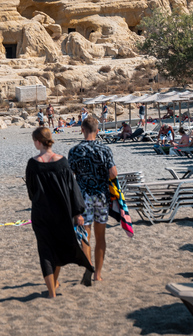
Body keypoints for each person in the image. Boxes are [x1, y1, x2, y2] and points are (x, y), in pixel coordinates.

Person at [26, 127, 94, 298]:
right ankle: (54, 286)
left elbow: (31, 193)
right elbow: (73, 189)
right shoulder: (62, 162)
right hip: (62, 213)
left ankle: (51, 292)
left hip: (41, 214)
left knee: (45, 251)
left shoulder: (33, 164)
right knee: (58, 247)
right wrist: (78, 213)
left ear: (38, 142)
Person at [68, 116, 117, 283]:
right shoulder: (105, 150)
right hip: (101, 196)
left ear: (82, 130)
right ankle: (98, 274)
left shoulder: (74, 151)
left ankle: (88, 266)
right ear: (98, 130)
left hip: (83, 197)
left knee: (85, 234)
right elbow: (113, 173)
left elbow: (70, 177)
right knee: (101, 236)